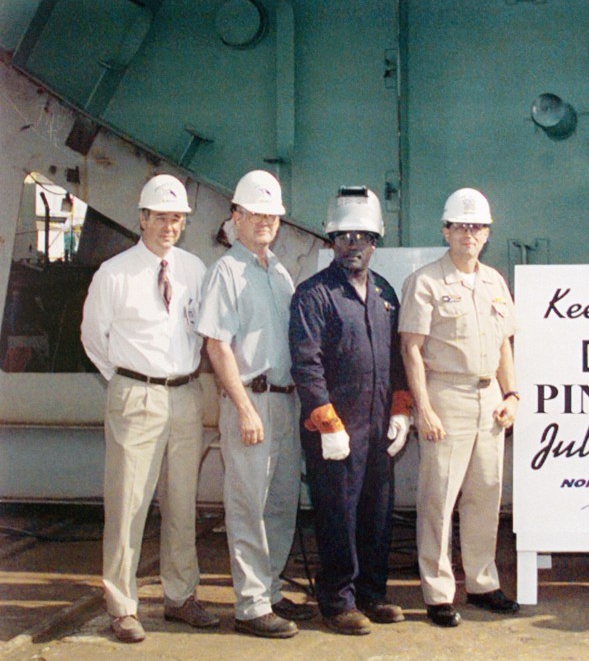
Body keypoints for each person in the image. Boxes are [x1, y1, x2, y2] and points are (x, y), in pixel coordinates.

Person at [80, 174, 217, 643]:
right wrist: (128, 380)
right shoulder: (114, 274)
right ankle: (122, 605)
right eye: (160, 216)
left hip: (185, 394)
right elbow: (93, 338)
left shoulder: (194, 270)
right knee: (128, 503)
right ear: (142, 218)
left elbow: (203, 332)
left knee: (182, 501)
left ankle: (180, 597)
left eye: (176, 218)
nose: (169, 225)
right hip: (136, 395)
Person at [289, 186, 411, 635]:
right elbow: (306, 362)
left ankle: (371, 594)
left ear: (375, 241)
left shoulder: (384, 293)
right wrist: (326, 421)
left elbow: (397, 357)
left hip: (378, 424)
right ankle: (338, 600)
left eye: (361, 236)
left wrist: (401, 408)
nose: (352, 245)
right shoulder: (313, 295)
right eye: (343, 237)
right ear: (330, 241)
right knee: (337, 513)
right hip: (335, 429)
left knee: (377, 512)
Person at [195, 170, 311, 639]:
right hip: (251, 401)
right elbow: (217, 346)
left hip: (285, 402)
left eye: (271, 216)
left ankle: (271, 588)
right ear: (235, 218)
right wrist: (242, 407)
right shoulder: (227, 272)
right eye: (255, 214)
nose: (264, 222)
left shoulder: (278, 271)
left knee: (281, 504)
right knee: (247, 506)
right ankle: (249, 605)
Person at [400, 187, 520, 628]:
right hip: (445, 395)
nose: (468, 234)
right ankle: (438, 591)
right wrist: (423, 409)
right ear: (445, 231)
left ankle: (483, 582)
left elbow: (505, 341)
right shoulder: (427, 282)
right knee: (439, 498)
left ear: (487, 234)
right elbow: (411, 349)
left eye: (477, 227)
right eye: (460, 226)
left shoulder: (494, 282)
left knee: (485, 495)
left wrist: (513, 394)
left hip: (489, 398)